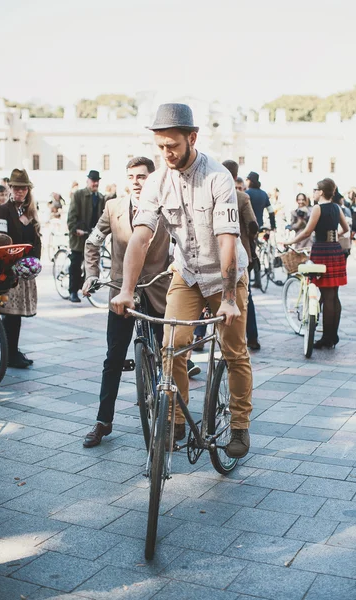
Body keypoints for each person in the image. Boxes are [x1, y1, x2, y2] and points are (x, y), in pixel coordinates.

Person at [111, 103, 253, 459]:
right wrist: (127, 290)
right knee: (172, 344)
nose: (166, 153)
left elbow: (227, 240)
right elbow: (140, 237)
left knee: (235, 352)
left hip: (226, 275)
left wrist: (231, 298)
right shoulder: (158, 180)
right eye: (160, 147)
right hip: (187, 273)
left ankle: (239, 425)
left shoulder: (218, 177)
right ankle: (175, 418)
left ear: (192, 138)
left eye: (172, 145)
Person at [81, 157, 171, 448]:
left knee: (167, 354)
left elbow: (184, 243)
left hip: (157, 290)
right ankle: (103, 421)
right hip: (121, 291)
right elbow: (93, 242)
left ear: (153, 179)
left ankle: (171, 417)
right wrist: (91, 275)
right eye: (131, 176)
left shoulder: (167, 207)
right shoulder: (113, 207)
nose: (135, 181)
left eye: (142, 176)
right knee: (114, 357)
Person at [291, 178, 349, 349]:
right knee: (334, 295)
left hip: (322, 250)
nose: (313, 192)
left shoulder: (318, 208)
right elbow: (345, 229)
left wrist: (290, 242)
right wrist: (334, 235)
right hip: (335, 249)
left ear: (321, 192)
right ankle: (333, 335)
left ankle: (326, 338)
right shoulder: (336, 207)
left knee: (326, 294)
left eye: (315, 189)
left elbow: (308, 231)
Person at [0, 169, 41, 368]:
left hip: (26, 270)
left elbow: (37, 238)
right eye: (16, 188)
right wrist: (15, 259)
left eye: (23, 188)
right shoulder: (2, 210)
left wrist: (34, 260)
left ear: (28, 190)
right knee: (10, 314)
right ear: (10, 189)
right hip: (8, 269)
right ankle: (9, 353)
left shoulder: (30, 211)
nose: (20, 192)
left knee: (17, 315)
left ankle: (13, 351)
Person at [223, 160, 260, 350]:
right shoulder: (242, 197)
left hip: (218, 252)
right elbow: (253, 225)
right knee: (246, 296)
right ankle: (251, 337)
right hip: (241, 252)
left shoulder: (214, 193)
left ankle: (199, 336)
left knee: (207, 293)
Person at [67, 170, 105, 303]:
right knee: (76, 264)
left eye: (97, 181)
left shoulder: (100, 197)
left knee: (90, 263)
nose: (95, 183)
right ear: (88, 181)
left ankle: (83, 286)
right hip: (79, 235)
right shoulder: (79, 194)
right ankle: (72, 291)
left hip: (93, 235)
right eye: (93, 180)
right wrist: (74, 229)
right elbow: (71, 214)